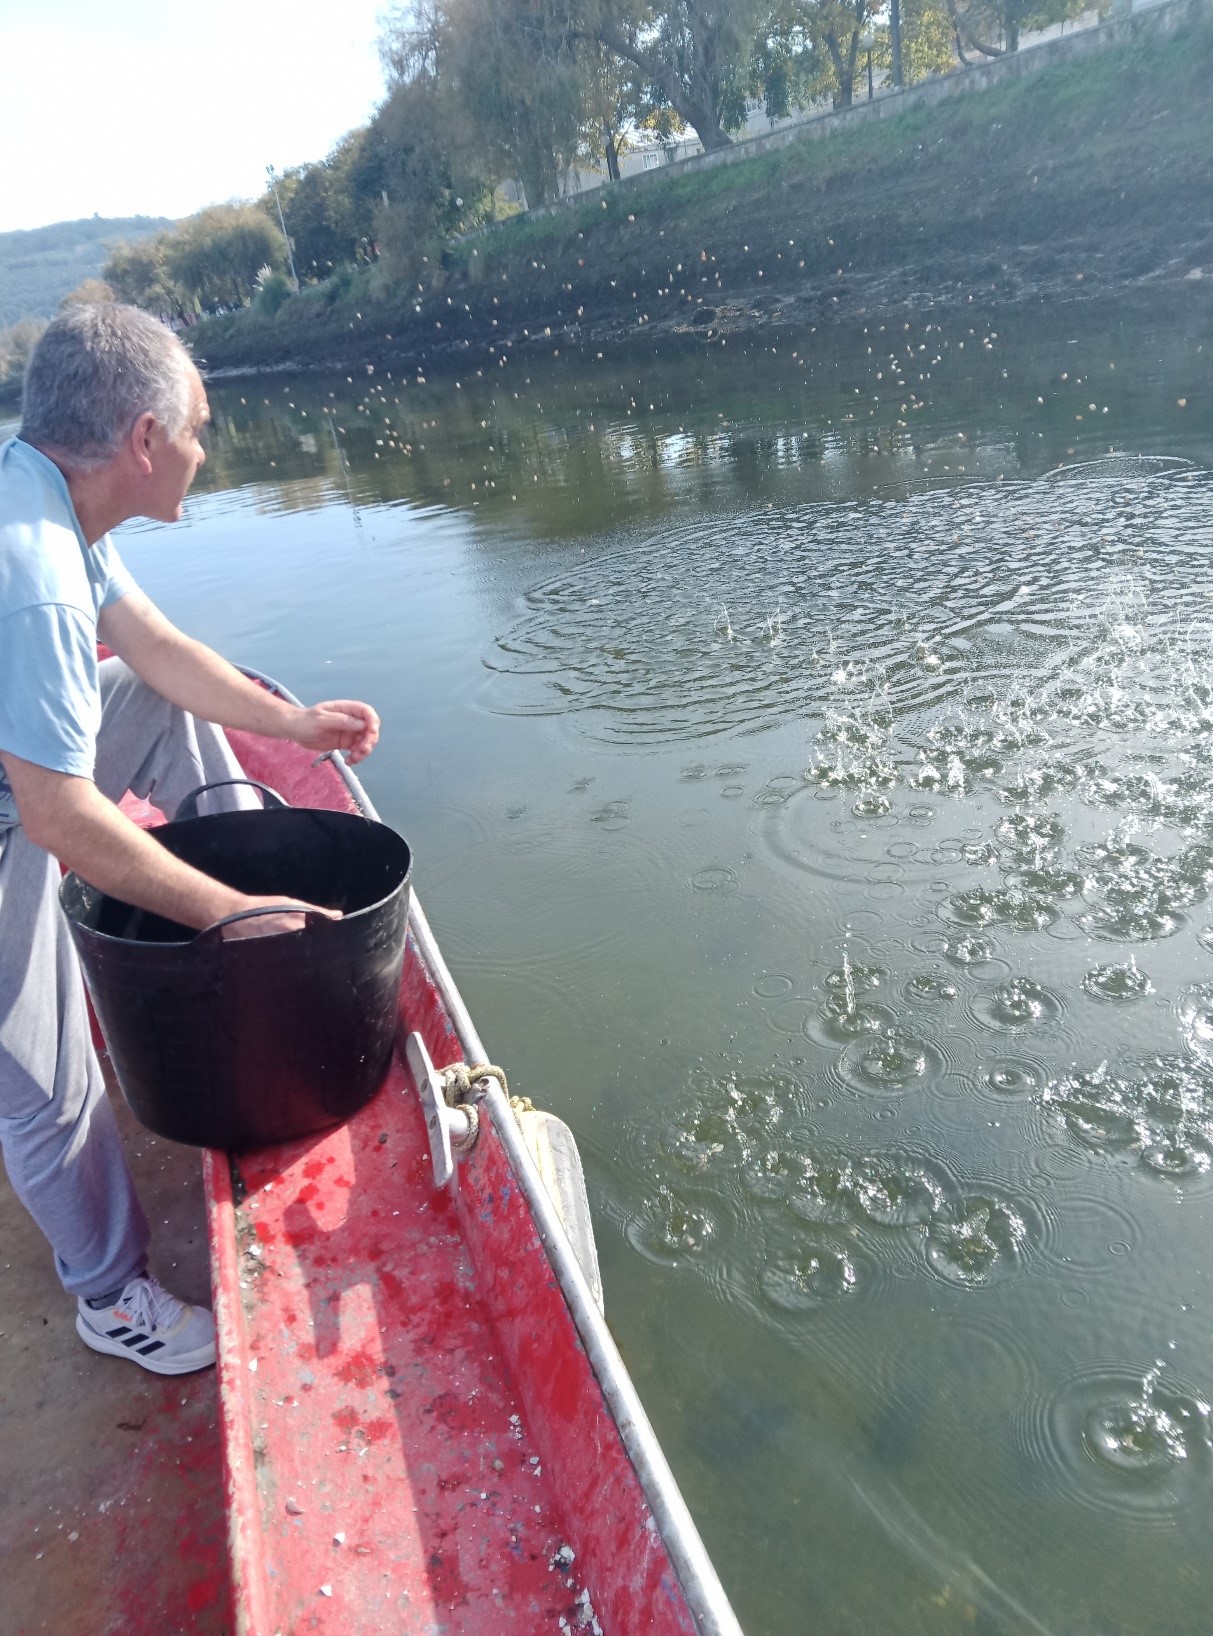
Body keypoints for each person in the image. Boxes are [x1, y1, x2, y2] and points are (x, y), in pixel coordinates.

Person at [0, 303, 380, 1375]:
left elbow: (157, 654)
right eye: (200, 428)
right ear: (143, 441)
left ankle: (245, 925)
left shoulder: (51, 491)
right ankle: (110, 1295)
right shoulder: (29, 580)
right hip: (13, 810)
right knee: (49, 1080)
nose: (207, 451)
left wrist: (295, 725)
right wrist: (235, 914)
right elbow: (56, 816)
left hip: (17, 768)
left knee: (156, 705)